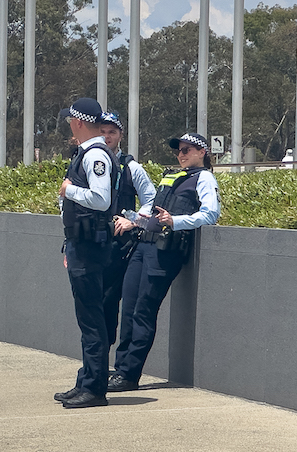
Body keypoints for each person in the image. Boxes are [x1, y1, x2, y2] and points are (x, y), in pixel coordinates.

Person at [108, 133, 220, 392]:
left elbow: (210, 214)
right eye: (179, 151)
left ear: (202, 152)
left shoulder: (204, 178)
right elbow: (152, 213)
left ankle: (129, 374)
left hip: (166, 251)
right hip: (143, 245)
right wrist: (134, 220)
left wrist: (176, 221)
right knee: (128, 310)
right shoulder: (170, 176)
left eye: (187, 150)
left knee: (143, 311)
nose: (181, 155)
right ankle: (119, 369)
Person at [53, 98, 119, 409]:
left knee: (92, 319)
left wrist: (69, 190)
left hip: (91, 248)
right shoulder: (87, 153)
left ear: (79, 122)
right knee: (88, 317)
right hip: (82, 245)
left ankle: (94, 388)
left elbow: (101, 200)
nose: (69, 125)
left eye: (70, 121)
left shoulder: (95, 156)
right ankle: (86, 380)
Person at [98, 112, 157, 352]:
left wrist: (132, 221)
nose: (106, 136)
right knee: (94, 304)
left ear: (121, 135)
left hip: (119, 248)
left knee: (111, 302)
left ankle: (105, 360)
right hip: (91, 243)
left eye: (112, 132)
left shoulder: (132, 167)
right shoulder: (87, 163)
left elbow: (152, 201)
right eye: (102, 131)